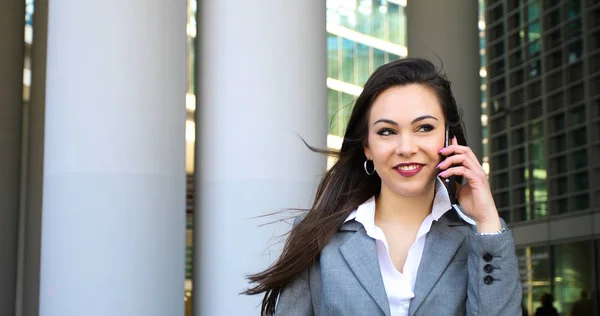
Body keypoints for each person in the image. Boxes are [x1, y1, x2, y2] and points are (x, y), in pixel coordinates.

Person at [244, 58, 522, 315]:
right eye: (386, 132)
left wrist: (486, 220)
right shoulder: (319, 236)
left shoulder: (477, 237)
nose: (406, 148)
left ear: (450, 139)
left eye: (424, 128)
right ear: (367, 147)